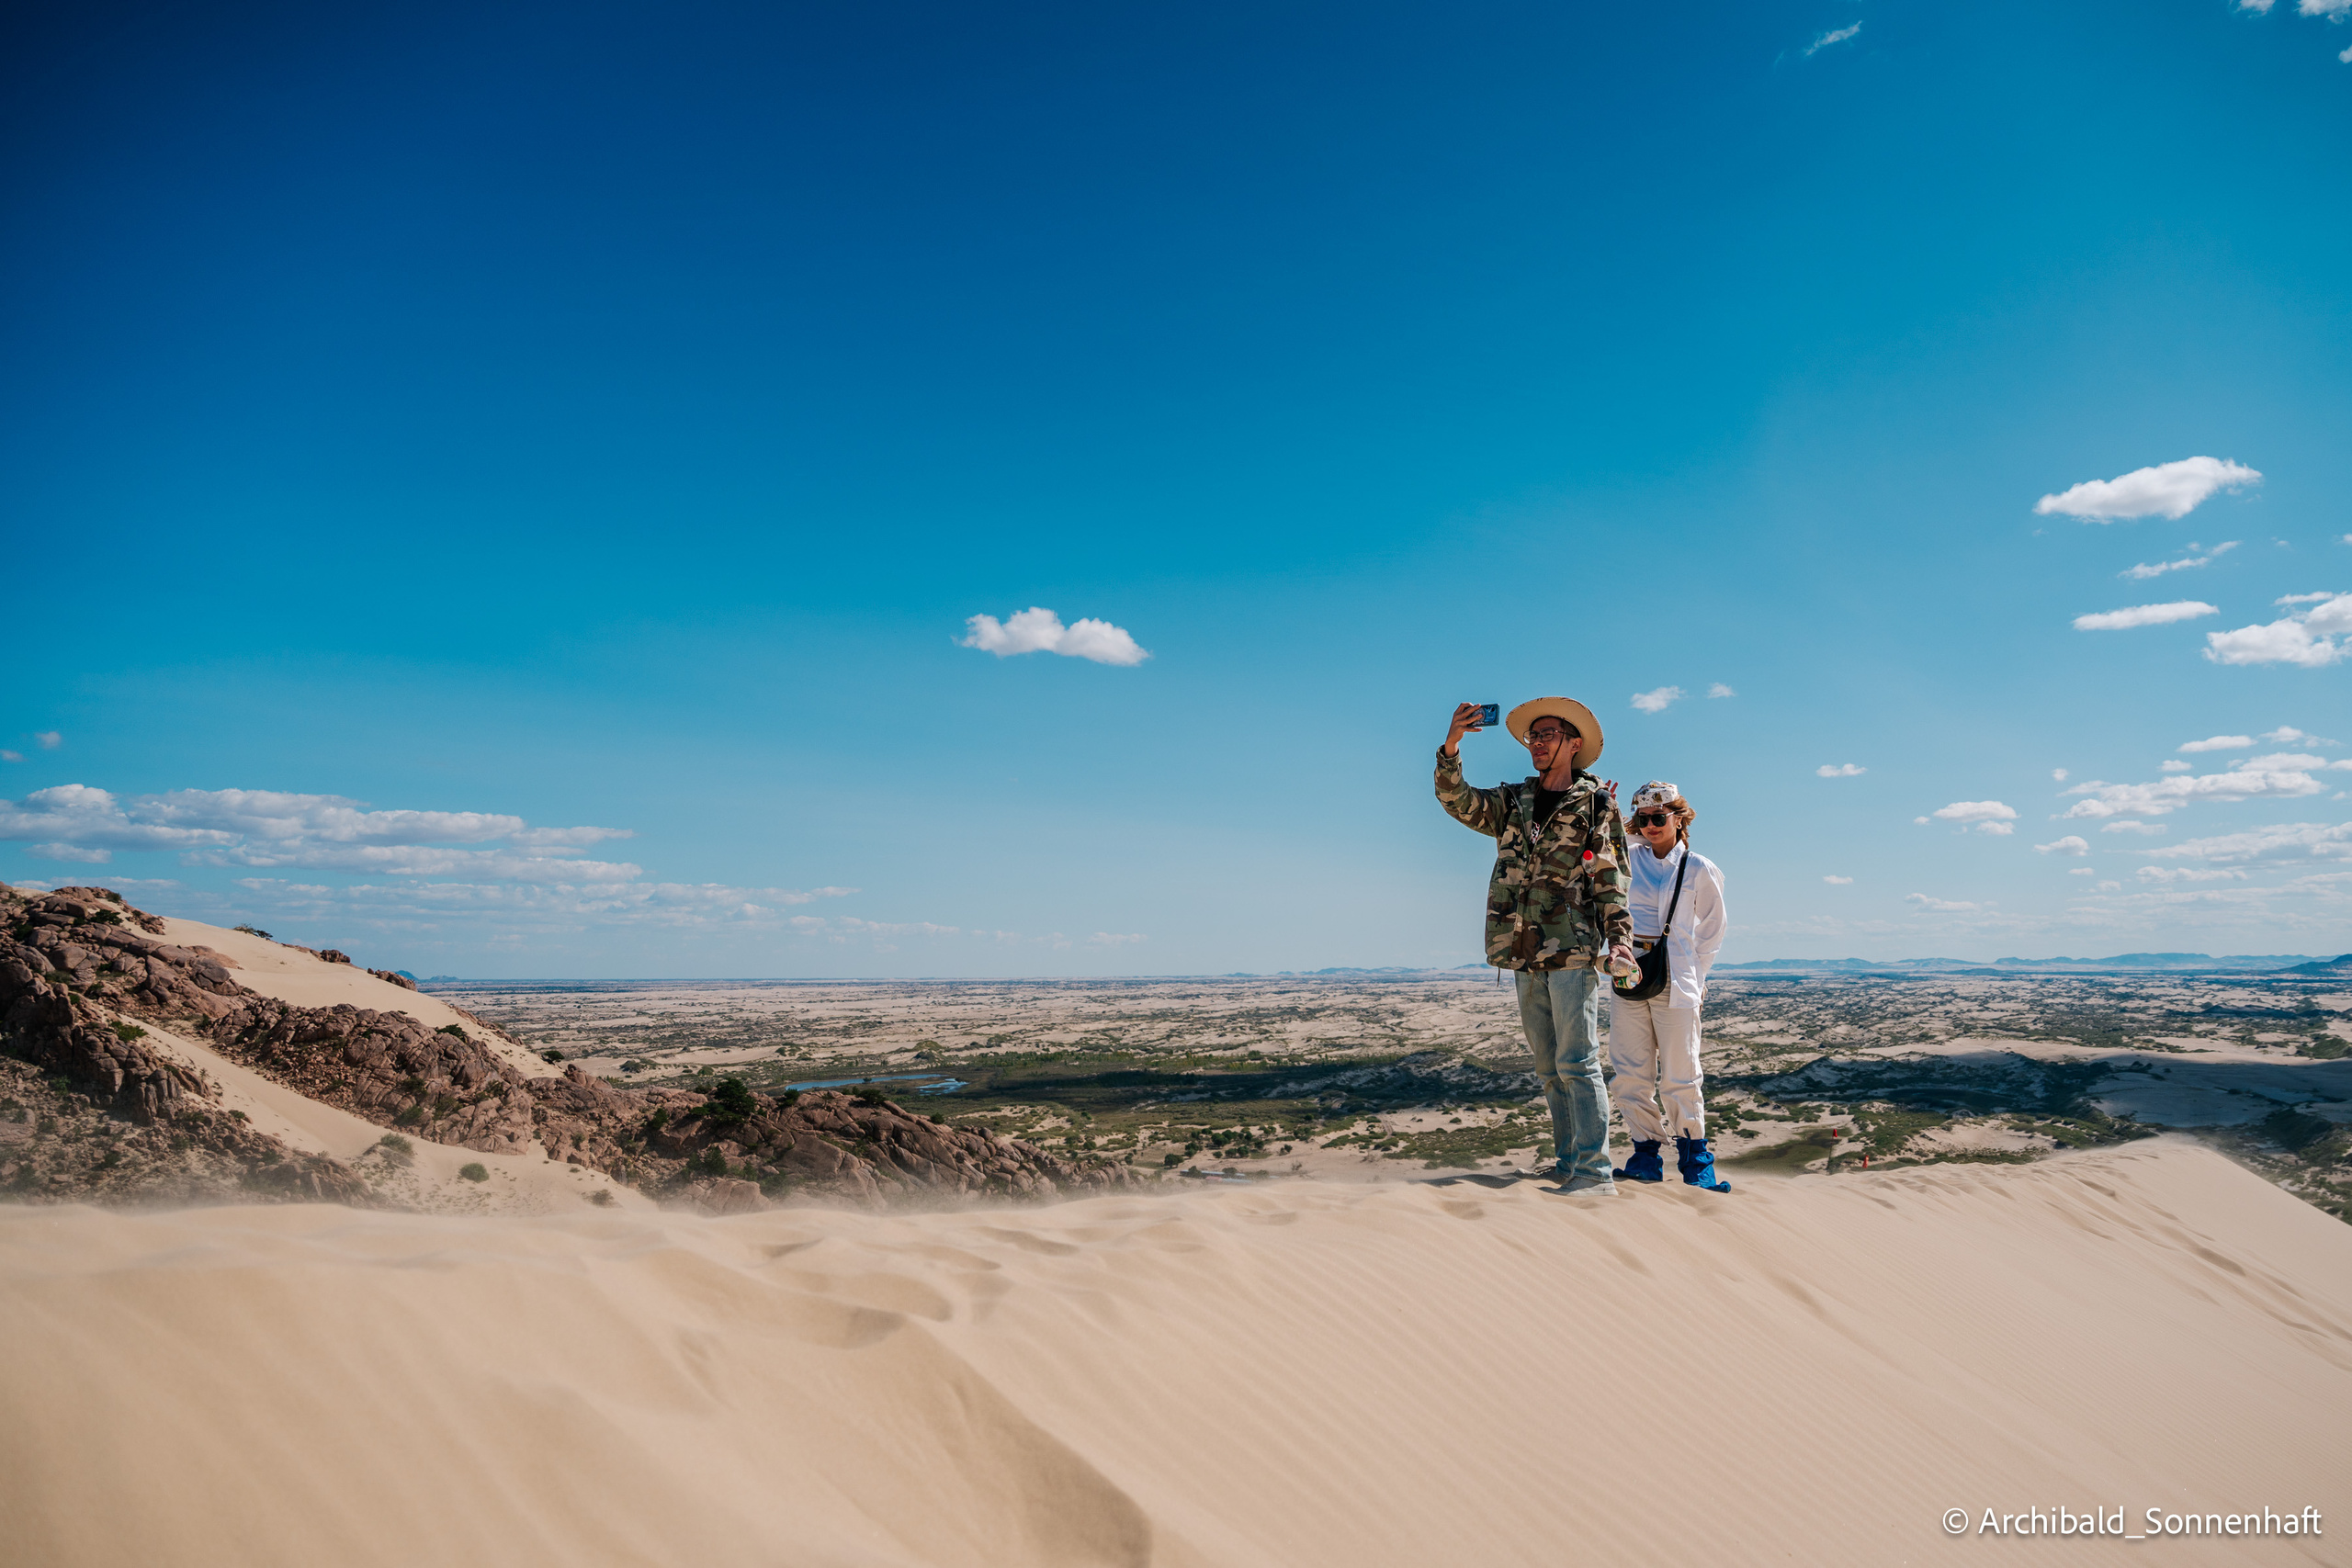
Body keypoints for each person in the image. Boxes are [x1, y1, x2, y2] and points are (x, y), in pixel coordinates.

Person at [1436, 698, 1636, 1194]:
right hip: (1521, 951)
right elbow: (1457, 800)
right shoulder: (1512, 800)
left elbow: (1611, 880)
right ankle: (1568, 1163)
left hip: (1571, 946)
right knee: (1549, 1068)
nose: (1537, 743)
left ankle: (1594, 1174)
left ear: (1574, 744)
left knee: (1578, 1063)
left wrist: (1621, 942)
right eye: (1533, 736)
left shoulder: (1596, 804)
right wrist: (1452, 746)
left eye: (1547, 734)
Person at [1606, 781, 1730, 1191]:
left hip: (1677, 979)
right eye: (1643, 819)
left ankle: (1696, 1161)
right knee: (1630, 1072)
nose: (1651, 826)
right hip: (1628, 974)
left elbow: (1713, 930)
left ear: (1680, 817)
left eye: (1660, 817)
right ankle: (1645, 1154)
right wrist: (1611, 812)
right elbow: (1600, 841)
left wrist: (1696, 975)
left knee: (1681, 1073)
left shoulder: (1699, 868)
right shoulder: (1627, 857)